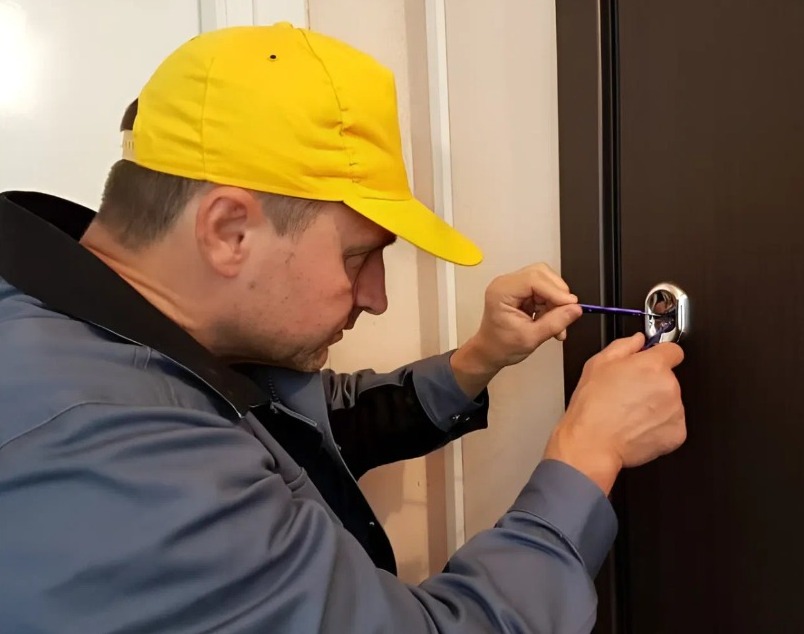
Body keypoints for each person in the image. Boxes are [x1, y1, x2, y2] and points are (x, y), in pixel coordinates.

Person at [0, 23, 686, 633]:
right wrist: (585, 455)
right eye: (359, 257)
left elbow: (293, 427)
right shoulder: (112, 451)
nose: (376, 297)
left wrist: (480, 358)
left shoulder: (89, 322)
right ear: (229, 230)